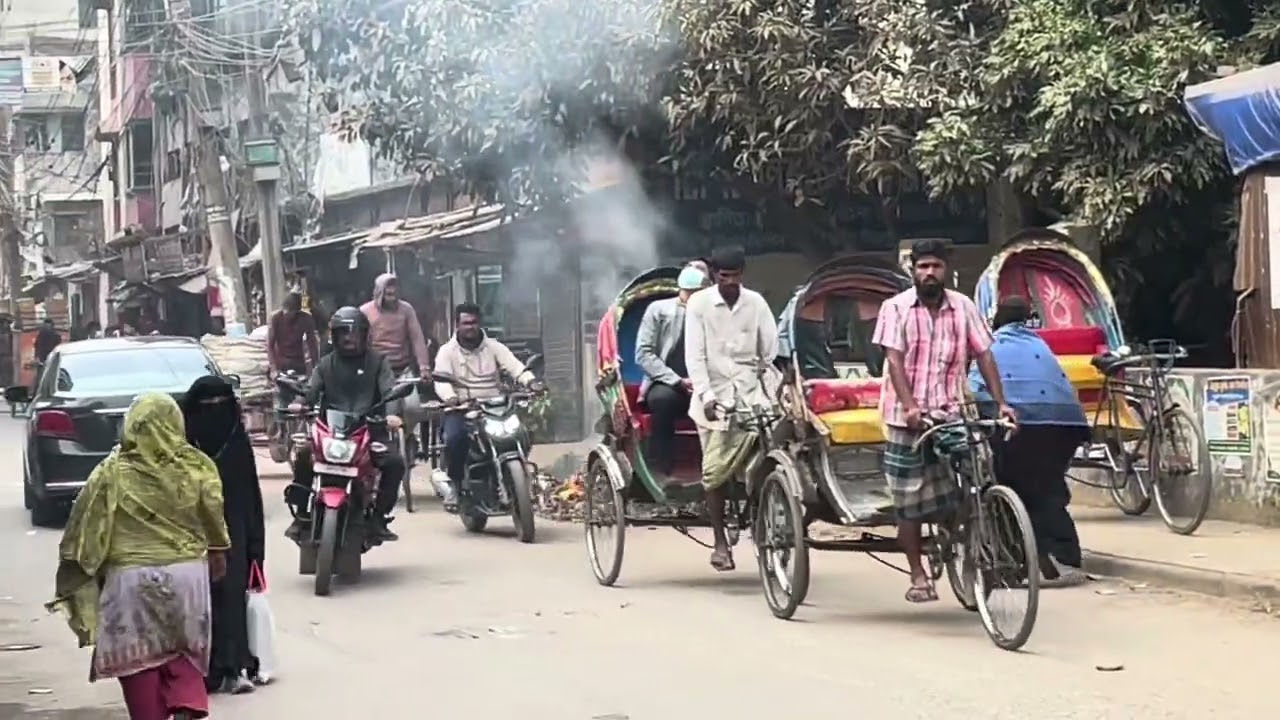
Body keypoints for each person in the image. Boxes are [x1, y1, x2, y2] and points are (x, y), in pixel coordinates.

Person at [46, 393, 231, 720]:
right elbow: (213, 516)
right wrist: (218, 552)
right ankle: (186, 702)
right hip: (188, 577)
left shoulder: (110, 472)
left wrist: (86, 570)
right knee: (183, 649)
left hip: (130, 581)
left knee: (139, 661)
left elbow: (86, 526)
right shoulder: (197, 465)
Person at [872, 238, 1017, 603]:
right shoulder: (896, 308)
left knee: (979, 470)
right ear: (913, 271)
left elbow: (984, 355)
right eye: (923, 267)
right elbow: (894, 361)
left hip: (952, 411)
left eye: (936, 266)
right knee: (908, 501)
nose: (929, 273)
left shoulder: (964, 307)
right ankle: (918, 573)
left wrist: (1002, 404)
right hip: (907, 418)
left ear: (947, 270)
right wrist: (909, 406)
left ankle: (972, 542)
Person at [970, 296, 1089, 586]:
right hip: (1068, 423)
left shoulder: (990, 345)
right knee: (1048, 486)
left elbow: (975, 388)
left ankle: (1019, 562)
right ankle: (1066, 557)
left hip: (1025, 423)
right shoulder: (1038, 343)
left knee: (1007, 486)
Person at [685, 246, 779, 572]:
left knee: (772, 457)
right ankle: (720, 542)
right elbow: (694, 357)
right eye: (724, 277)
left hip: (753, 395)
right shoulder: (698, 305)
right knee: (715, 474)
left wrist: (773, 389)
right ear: (714, 275)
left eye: (735, 276)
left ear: (743, 274)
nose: (729, 282)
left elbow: (769, 352)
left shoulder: (756, 303)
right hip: (713, 400)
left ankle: (766, 522)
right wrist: (708, 397)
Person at [181, 376, 268, 693]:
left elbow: (251, 498)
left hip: (235, 533)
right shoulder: (182, 449)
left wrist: (255, 549)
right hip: (191, 534)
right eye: (208, 408)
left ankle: (232, 666)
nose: (215, 414)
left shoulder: (237, 444)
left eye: (221, 406)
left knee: (231, 597)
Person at [288, 306, 405, 541]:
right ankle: (301, 514)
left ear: (364, 334)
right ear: (335, 336)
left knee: (394, 463)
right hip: (330, 431)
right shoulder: (325, 365)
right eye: (343, 332)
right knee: (302, 455)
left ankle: (379, 518)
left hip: (369, 429)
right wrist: (299, 402)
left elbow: (390, 391)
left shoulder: (378, 362)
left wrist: (391, 415)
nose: (349, 338)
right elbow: (311, 391)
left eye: (354, 332)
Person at [433, 302, 539, 510]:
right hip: (462, 408)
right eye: (465, 323)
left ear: (479, 323)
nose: (470, 327)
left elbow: (515, 366)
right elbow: (441, 381)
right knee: (455, 439)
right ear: (457, 325)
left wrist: (530, 381)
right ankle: (455, 485)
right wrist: (451, 398)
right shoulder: (447, 351)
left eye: (473, 322)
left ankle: (516, 479)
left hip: (496, 407)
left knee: (522, 433)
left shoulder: (494, 347)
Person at [634, 261, 710, 479]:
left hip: (705, 383)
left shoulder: (712, 312)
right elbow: (643, 354)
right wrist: (677, 380)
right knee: (662, 401)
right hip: (667, 383)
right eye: (690, 292)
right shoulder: (659, 310)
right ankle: (661, 468)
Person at [267, 291, 320, 440]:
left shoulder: (306, 319)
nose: (288, 315)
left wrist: (317, 368)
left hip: (299, 364)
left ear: (297, 311)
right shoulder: (276, 318)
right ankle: (281, 428)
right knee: (281, 397)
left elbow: (312, 345)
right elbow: (270, 345)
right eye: (286, 311)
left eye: (291, 312)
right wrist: (273, 369)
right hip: (280, 364)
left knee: (306, 395)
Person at [360, 273, 432, 378]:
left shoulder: (406, 309)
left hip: (403, 369)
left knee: (411, 393)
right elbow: (359, 342)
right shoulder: (365, 311)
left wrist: (424, 367)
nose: (392, 299)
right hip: (375, 369)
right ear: (379, 293)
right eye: (388, 294)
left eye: (394, 294)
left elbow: (417, 338)